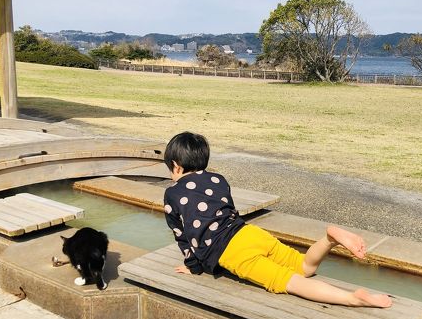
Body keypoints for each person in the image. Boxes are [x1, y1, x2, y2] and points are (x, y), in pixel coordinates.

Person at [163, 131, 392, 308]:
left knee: (288, 281)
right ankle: (329, 239)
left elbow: (183, 237)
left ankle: (352, 299)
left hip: (231, 251)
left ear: (176, 165)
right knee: (303, 266)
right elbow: (226, 211)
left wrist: (193, 267)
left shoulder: (173, 194)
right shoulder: (217, 179)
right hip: (249, 233)